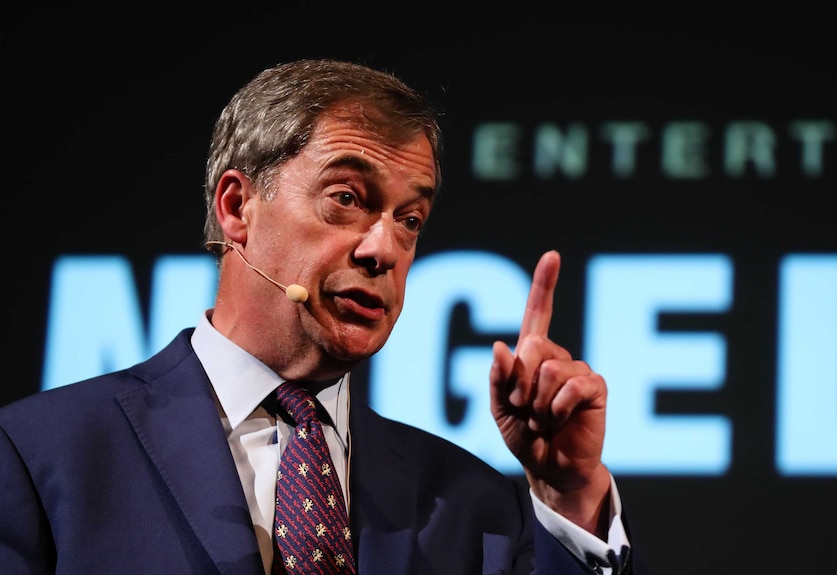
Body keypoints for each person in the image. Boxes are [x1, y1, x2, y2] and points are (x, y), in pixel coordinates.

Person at [0, 59, 648, 574]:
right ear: (237, 206)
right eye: (346, 198)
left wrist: (570, 496)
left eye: (410, 221)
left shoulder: (473, 504)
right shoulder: (40, 454)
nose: (383, 249)